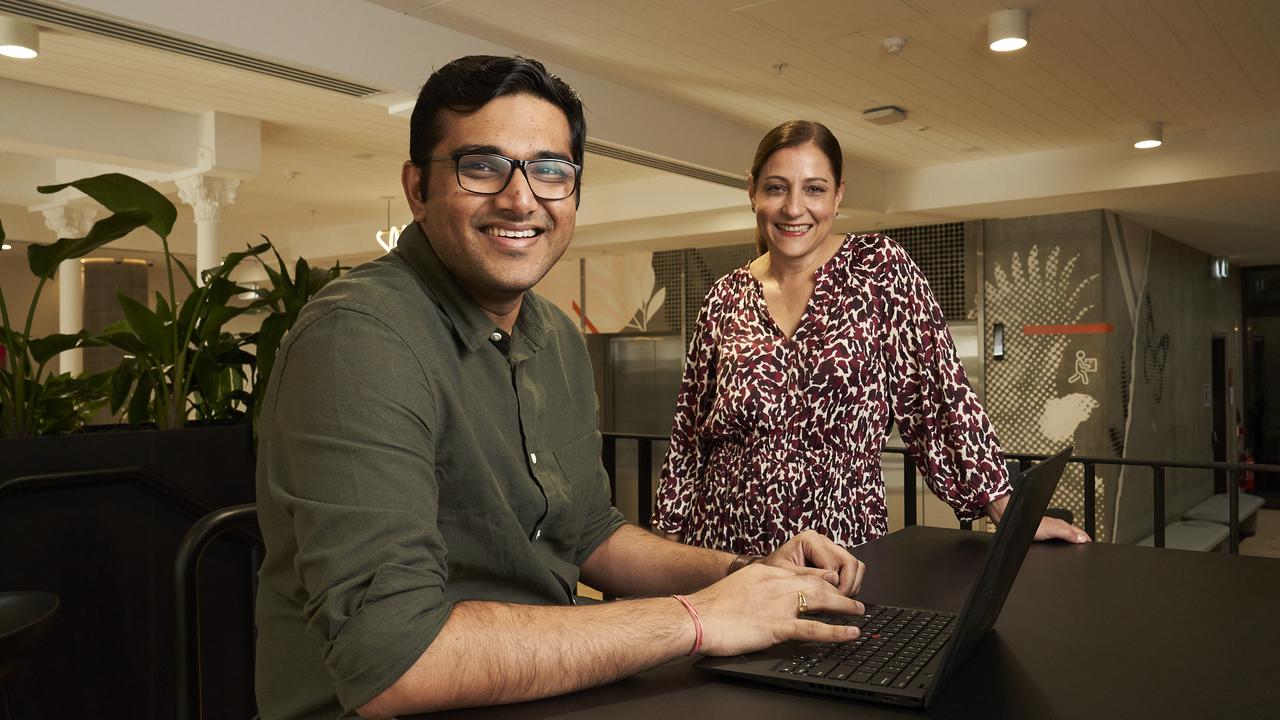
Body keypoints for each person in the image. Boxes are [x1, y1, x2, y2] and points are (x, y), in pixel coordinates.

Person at [254, 57, 868, 720]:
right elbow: (395, 664)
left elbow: (588, 533)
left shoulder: (553, 334)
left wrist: (742, 578)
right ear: (417, 188)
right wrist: (699, 617)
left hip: (544, 689)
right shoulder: (359, 338)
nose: (521, 198)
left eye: (550, 170)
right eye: (482, 165)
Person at [651, 120, 1090, 556]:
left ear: (838, 195)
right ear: (752, 191)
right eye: (777, 188)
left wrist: (1009, 511)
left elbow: (939, 397)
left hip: (845, 553)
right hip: (729, 555)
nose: (794, 208)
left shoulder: (879, 270)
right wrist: (664, 562)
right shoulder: (723, 298)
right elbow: (690, 439)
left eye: (814, 189)